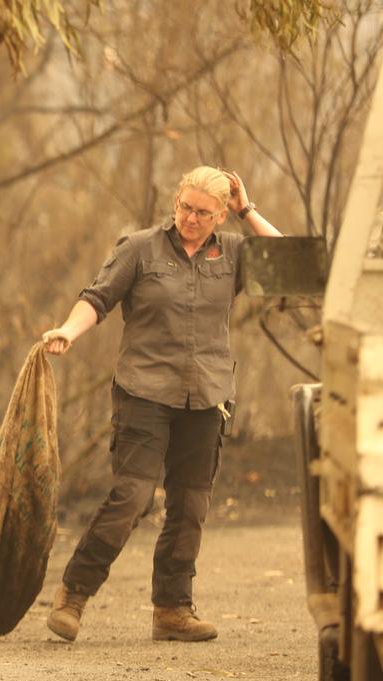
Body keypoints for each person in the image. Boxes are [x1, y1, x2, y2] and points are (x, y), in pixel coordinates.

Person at [40, 166, 282, 643]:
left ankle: (172, 610)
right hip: (144, 392)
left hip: (207, 395)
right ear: (176, 203)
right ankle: (73, 594)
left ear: (219, 216)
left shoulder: (233, 251)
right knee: (132, 497)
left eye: (204, 213)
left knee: (191, 505)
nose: (191, 218)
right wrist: (69, 329)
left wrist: (246, 209)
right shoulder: (139, 247)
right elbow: (97, 298)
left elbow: (291, 264)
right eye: (185, 207)